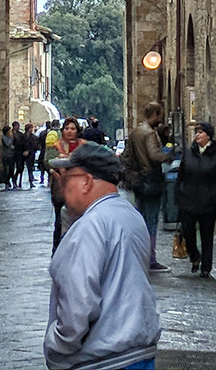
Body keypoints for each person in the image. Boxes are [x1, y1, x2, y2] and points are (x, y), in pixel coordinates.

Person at [44, 142, 160, 370]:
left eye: (66, 176)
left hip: (103, 359)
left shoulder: (89, 227)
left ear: (86, 181)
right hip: (137, 354)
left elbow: (78, 308)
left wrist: (56, 347)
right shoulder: (130, 214)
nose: (61, 182)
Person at [175, 121, 216, 278]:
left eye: (200, 132)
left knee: (207, 236)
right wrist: (179, 195)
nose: (197, 135)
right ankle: (194, 256)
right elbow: (181, 176)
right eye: (196, 132)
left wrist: (213, 197)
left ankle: (206, 267)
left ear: (208, 136)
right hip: (188, 201)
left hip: (208, 204)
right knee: (188, 232)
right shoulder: (188, 153)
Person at [127, 101, 169, 272]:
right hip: (150, 180)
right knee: (151, 221)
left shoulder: (135, 132)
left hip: (138, 180)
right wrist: (168, 156)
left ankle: (139, 254)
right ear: (155, 115)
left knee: (141, 218)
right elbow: (154, 155)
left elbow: (127, 156)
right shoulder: (149, 133)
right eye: (160, 115)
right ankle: (150, 258)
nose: (161, 119)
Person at [49, 116, 84, 251]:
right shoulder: (56, 144)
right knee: (59, 221)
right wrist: (55, 172)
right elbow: (47, 160)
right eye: (67, 128)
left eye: (73, 129)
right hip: (60, 186)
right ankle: (57, 250)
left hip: (77, 187)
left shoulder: (82, 145)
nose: (70, 131)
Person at [22, 122, 39, 188]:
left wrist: (28, 151)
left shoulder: (33, 137)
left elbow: (34, 145)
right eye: (30, 128)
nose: (32, 129)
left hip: (31, 154)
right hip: (24, 154)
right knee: (21, 168)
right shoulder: (24, 136)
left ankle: (31, 180)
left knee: (30, 167)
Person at [1, 124, 16, 188]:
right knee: (6, 170)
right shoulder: (4, 138)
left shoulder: (10, 137)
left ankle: (11, 181)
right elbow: (8, 144)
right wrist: (12, 138)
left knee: (11, 169)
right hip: (6, 155)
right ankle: (6, 181)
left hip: (11, 155)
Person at [11, 121, 25, 188]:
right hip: (13, 153)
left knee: (20, 167)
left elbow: (22, 142)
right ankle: (14, 180)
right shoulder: (10, 134)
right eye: (17, 126)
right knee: (12, 168)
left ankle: (18, 180)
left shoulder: (20, 134)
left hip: (20, 152)